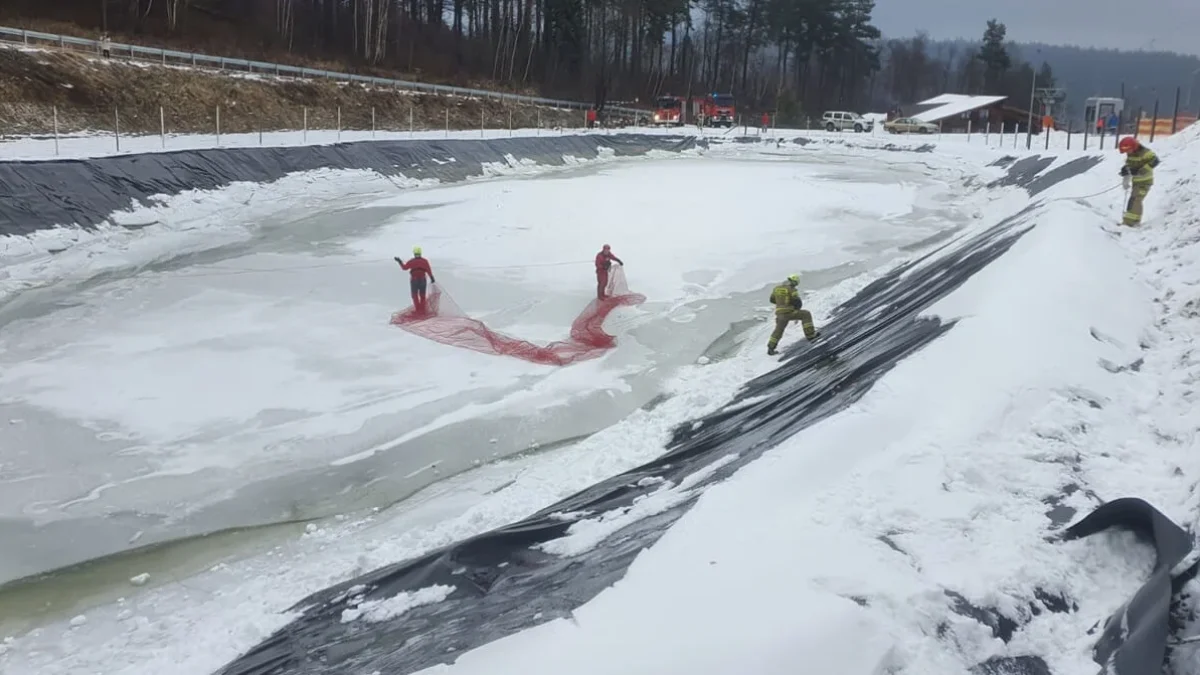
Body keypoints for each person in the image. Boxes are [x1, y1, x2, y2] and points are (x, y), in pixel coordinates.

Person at [767, 274, 818, 356]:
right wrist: (795, 308)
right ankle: (811, 335)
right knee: (806, 314)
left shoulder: (776, 288)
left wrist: (781, 303)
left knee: (778, 330)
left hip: (780, 314)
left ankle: (771, 348)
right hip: (789, 312)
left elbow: (772, 300)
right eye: (795, 283)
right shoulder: (792, 289)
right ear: (793, 282)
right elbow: (797, 301)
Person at [1118, 136, 1160, 227]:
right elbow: (1130, 165)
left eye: (1128, 150)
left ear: (1134, 147)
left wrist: (1140, 171)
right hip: (1136, 182)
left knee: (1135, 200)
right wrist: (1125, 171)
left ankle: (1129, 222)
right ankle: (1135, 220)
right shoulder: (1131, 154)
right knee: (1135, 200)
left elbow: (1155, 161)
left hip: (1145, 182)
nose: (1127, 153)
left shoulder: (1145, 153)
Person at [394, 246, 436, 314]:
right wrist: (432, 278)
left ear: (414, 254)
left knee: (415, 295)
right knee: (422, 295)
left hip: (414, 281)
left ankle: (418, 310)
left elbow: (404, 268)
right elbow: (429, 270)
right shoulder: (424, 261)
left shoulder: (412, 261)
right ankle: (422, 310)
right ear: (420, 253)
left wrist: (399, 261)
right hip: (423, 280)